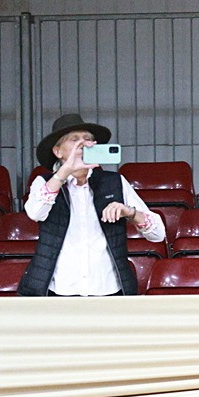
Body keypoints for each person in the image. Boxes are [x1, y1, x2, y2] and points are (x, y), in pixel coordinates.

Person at [18, 113, 165, 296]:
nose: (83, 144)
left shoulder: (115, 181)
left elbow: (158, 234)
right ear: (58, 152)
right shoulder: (45, 182)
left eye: (88, 139)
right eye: (74, 139)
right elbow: (35, 213)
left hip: (107, 288)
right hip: (60, 289)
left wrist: (130, 213)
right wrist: (63, 173)